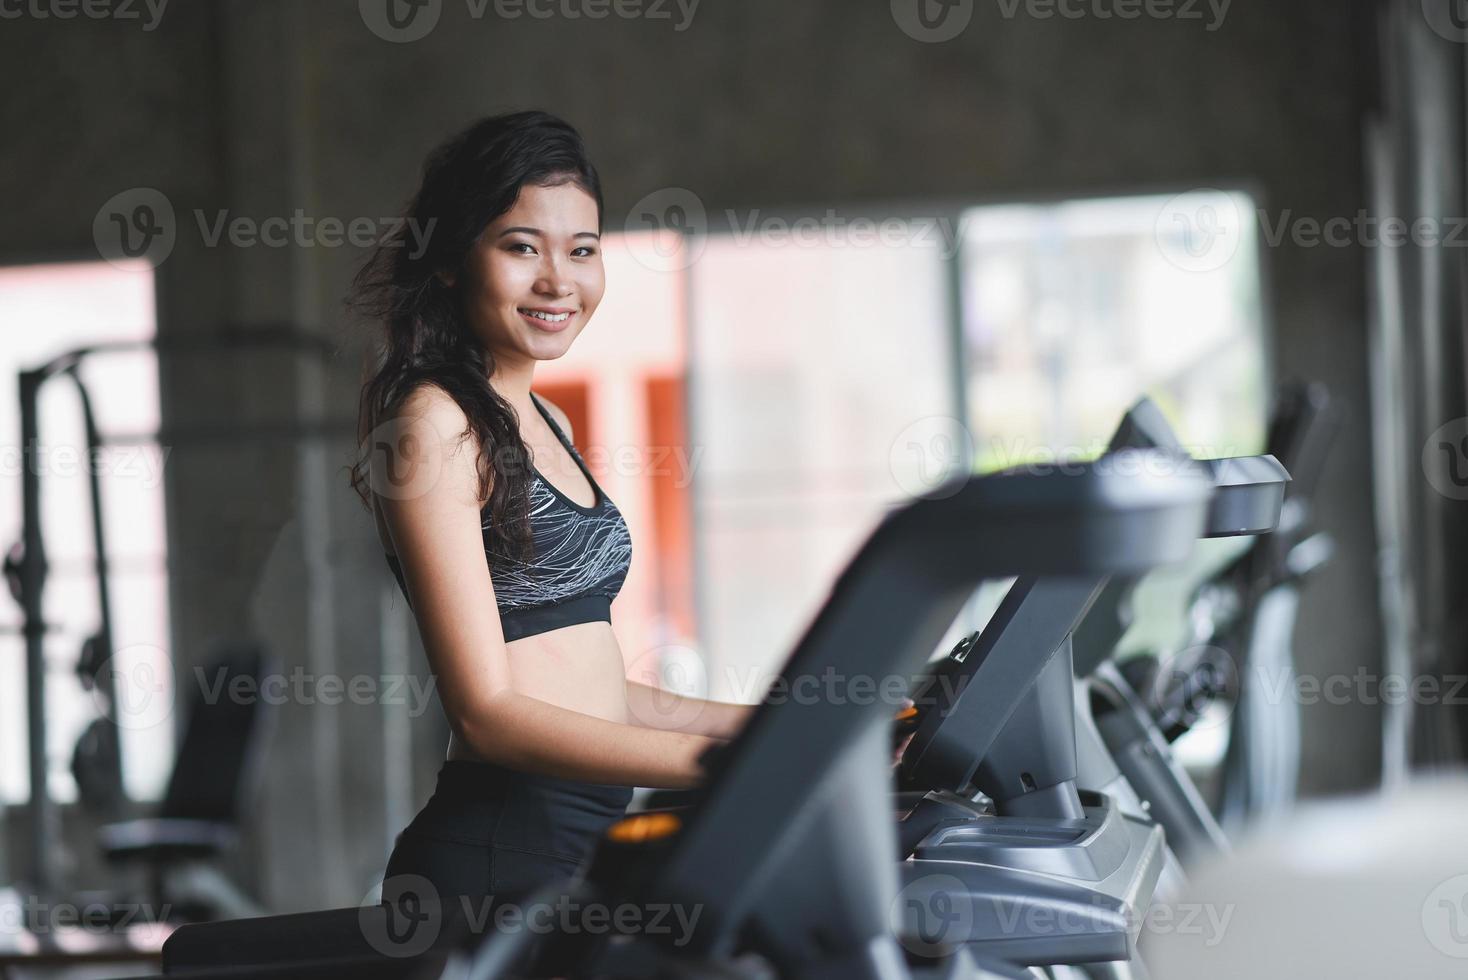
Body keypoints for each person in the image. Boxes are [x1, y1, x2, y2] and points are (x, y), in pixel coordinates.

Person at [346, 110, 753, 917]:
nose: (558, 281)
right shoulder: (432, 424)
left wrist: (786, 730)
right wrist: (735, 767)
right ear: (455, 262)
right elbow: (488, 713)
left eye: (583, 250)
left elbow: (600, 694)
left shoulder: (548, 424)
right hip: (498, 856)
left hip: (577, 844)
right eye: (521, 247)